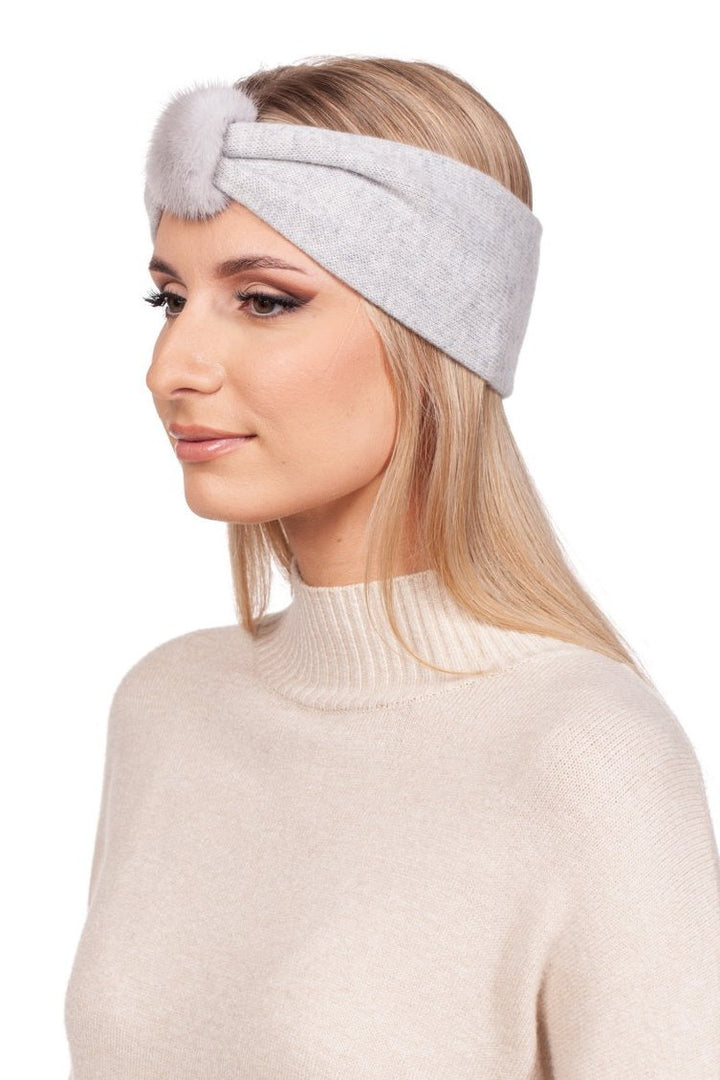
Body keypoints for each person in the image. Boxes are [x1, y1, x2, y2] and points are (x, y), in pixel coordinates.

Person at [63, 56, 720, 1079]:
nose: (170, 369)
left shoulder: (586, 752)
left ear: (434, 336)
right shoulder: (166, 704)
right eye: (169, 299)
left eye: (264, 301)